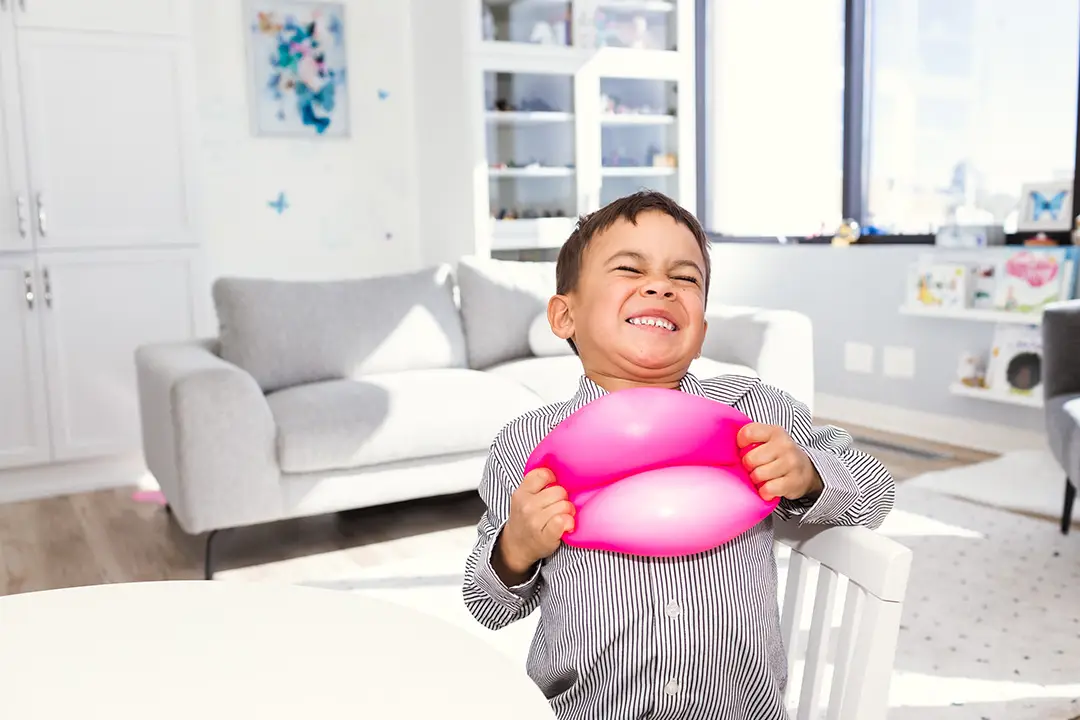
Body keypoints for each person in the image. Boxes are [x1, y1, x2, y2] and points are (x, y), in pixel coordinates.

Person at [461, 190, 895, 720]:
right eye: (628, 267)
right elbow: (485, 603)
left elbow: (876, 491)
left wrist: (807, 475)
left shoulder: (752, 410)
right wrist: (516, 546)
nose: (660, 286)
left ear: (702, 329)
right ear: (564, 315)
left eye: (685, 278)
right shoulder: (527, 444)